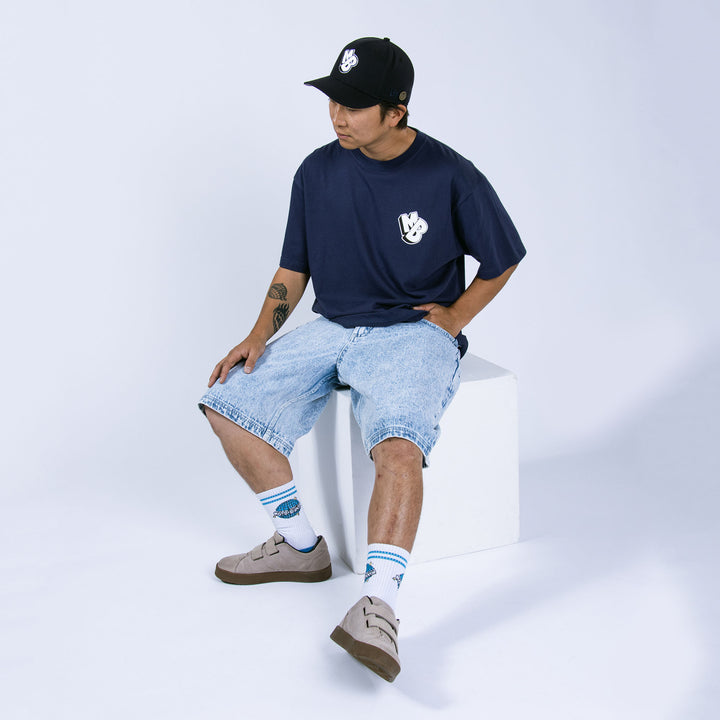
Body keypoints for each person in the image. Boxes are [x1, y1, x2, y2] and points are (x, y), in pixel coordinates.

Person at [199, 36, 526, 682]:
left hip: (410, 333)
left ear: (396, 111)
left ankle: (378, 607)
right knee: (227, 403)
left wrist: (455, 317)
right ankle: (300, 546)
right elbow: (293, 269)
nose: (337, 116)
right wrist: (258, 334)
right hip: (332, 326)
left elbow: (503, 257)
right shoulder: (316, 172)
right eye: (333, 102)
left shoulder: (450, 174)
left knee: (398, 447)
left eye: (353, 105)